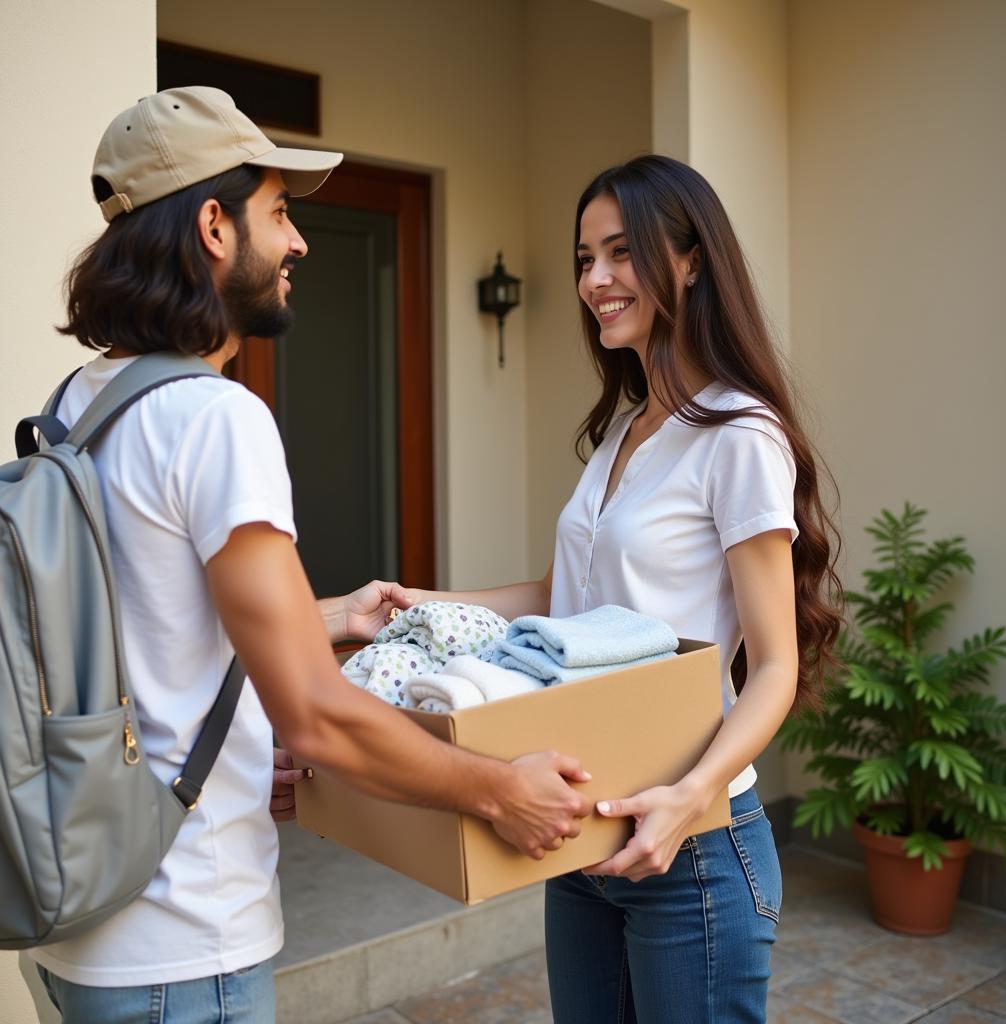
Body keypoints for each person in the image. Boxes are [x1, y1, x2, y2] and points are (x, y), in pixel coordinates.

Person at [25, 86, 591, 1024]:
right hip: (182, 946)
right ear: (214, 225)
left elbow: (136, 624)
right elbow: (320, 720)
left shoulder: (80, 403)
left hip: (81, 924)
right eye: (279, 213)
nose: (297, 243)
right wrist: (500, 790)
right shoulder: (214, 417)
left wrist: (328, 618)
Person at [389, 155, 842, 1022]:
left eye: (620, 252)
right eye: (584, 258)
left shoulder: (739, 436)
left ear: (693, 259)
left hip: (694, 847)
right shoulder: (623, 432)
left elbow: (775, 665)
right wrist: (429, 603)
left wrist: (688, 798)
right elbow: (567, 605)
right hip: (590, 836)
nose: (595, 280)